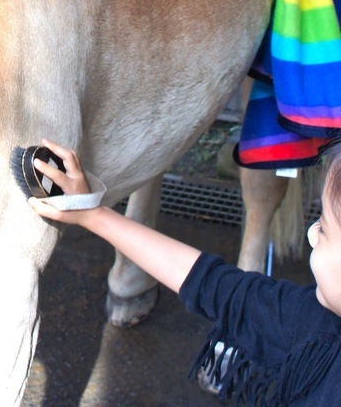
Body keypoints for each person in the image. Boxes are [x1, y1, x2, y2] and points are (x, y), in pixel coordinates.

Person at [29, 139, 341, 405]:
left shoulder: (317, 335)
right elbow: (214, 284)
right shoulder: (313, 319)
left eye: (324, 229)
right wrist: (92, 214)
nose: (311, 234)